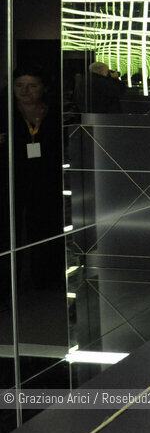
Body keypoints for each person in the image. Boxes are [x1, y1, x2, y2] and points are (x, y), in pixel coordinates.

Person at [7, 67, 65, 287]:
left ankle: (46, 278)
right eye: (19, 85)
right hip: (11, 178)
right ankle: (10, 282)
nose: (25, 91)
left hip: (45, 179)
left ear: (43, 88)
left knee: (45, 226)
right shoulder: (6, 111)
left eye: (32, 85)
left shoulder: (54, 112)